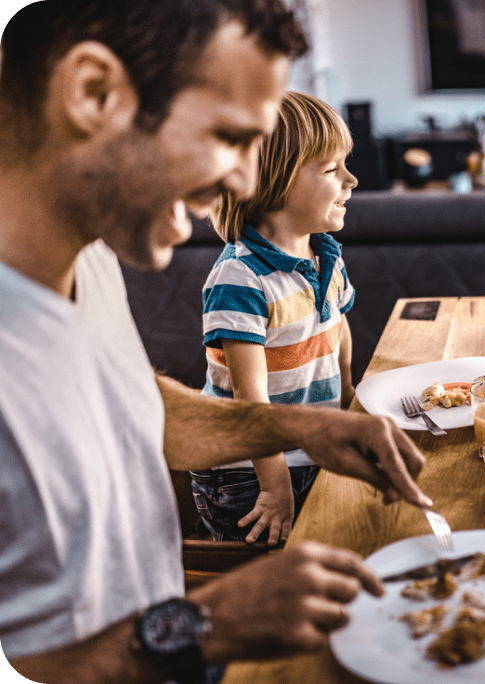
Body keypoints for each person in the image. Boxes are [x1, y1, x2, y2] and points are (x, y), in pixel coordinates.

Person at [0, 1, 433, 682]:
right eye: (230, 136)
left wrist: (300, 424)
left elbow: (138, 409)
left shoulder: (88, 257)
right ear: (92, 93)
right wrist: (213, 623)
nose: (241, 179)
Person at [193, 91, 359, 546]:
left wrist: (348, 399)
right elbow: (251, 397)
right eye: (331, 170)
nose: (352, 180)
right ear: (275, 181)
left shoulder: (324, 253)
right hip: (250, 474)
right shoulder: (241, 277)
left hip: (308, 451)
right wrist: (275, 485)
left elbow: (336, 327)